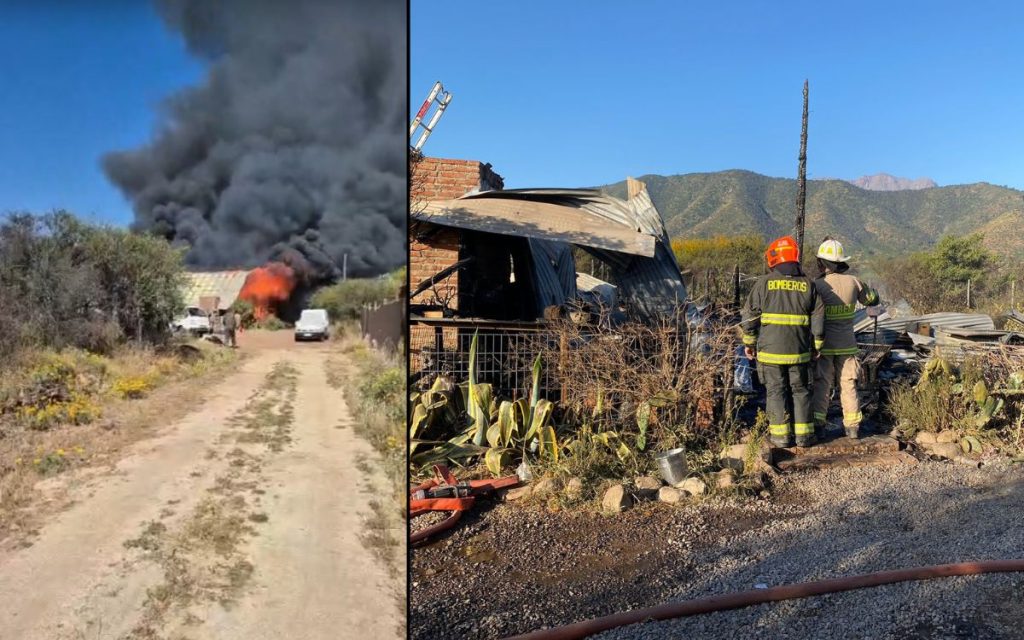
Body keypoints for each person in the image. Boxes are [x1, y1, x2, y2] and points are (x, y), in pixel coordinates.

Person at [741, 236, 825, 448]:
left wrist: (749, 343)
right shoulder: (809, 285)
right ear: (795, 258)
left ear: (773, 259)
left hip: (770, 353)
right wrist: (817, 345)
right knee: (801, 391)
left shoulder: (763, 284)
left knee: (775, 392)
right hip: (799, 352)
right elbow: (819, 317)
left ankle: (780, 438)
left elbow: (750, 316)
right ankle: (804, 437)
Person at [811, 238, 880, 440]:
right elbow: (872, 299)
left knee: (822, 384)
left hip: (823, 346)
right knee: (849, 384)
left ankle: (818, 425)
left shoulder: (817, 285)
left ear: (822, 263)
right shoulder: (854, 282)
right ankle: (852, 428)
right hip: (847, 344)